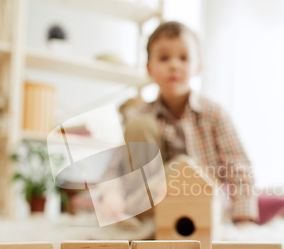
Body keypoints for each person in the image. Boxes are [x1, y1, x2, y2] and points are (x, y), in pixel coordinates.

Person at [105, 21, 258, 224]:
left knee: (182, 166)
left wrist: (243, 215)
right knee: (139, 125)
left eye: (184, 58)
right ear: (149, 68)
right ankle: (140, 215)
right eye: (164, 58)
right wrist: (110, 194)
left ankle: (136, 211)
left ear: (198, 67)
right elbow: (117, 165)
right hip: (153, 204)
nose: (174, 65)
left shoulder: (214, 114)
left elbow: (239, 166)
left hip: (203, 203)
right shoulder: (141, 114)